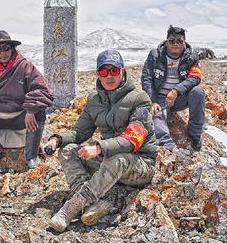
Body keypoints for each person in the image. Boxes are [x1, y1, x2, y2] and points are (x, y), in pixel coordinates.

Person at [43, 50, 157, 232]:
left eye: (114, 70)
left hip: (140, 165)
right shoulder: (94, 101)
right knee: (68, 150)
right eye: (104, 71)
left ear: (122, 71)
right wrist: (56, 140)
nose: (109, 76)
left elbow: (133, 138)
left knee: (117, 159)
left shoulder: (139, 98)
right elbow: (80, 132)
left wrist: (99, 147)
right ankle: (91, 204)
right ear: (98, 74)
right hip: (109, 161)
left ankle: (70, 210)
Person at [0, 30, 53, 169]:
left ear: (12, 49)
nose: (3, 53)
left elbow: (41, 89)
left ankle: (31, 155)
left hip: (20, 115)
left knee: (39, 110)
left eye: (6, 48)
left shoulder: (25, 67)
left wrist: (30, 110)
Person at [141, 25, 204, 151]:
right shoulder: (155, 55)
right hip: (159, 98)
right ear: (166, 41)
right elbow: (147, 78)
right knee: (155, 112)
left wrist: (176, 91)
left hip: (179, 98)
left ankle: (195, 136)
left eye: (180, 41)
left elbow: (195, 77)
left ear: (184, 43)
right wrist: (152, 101)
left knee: (198, 92)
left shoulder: (191, 56)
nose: (175, 44)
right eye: (172, 41)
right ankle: (166, 144)